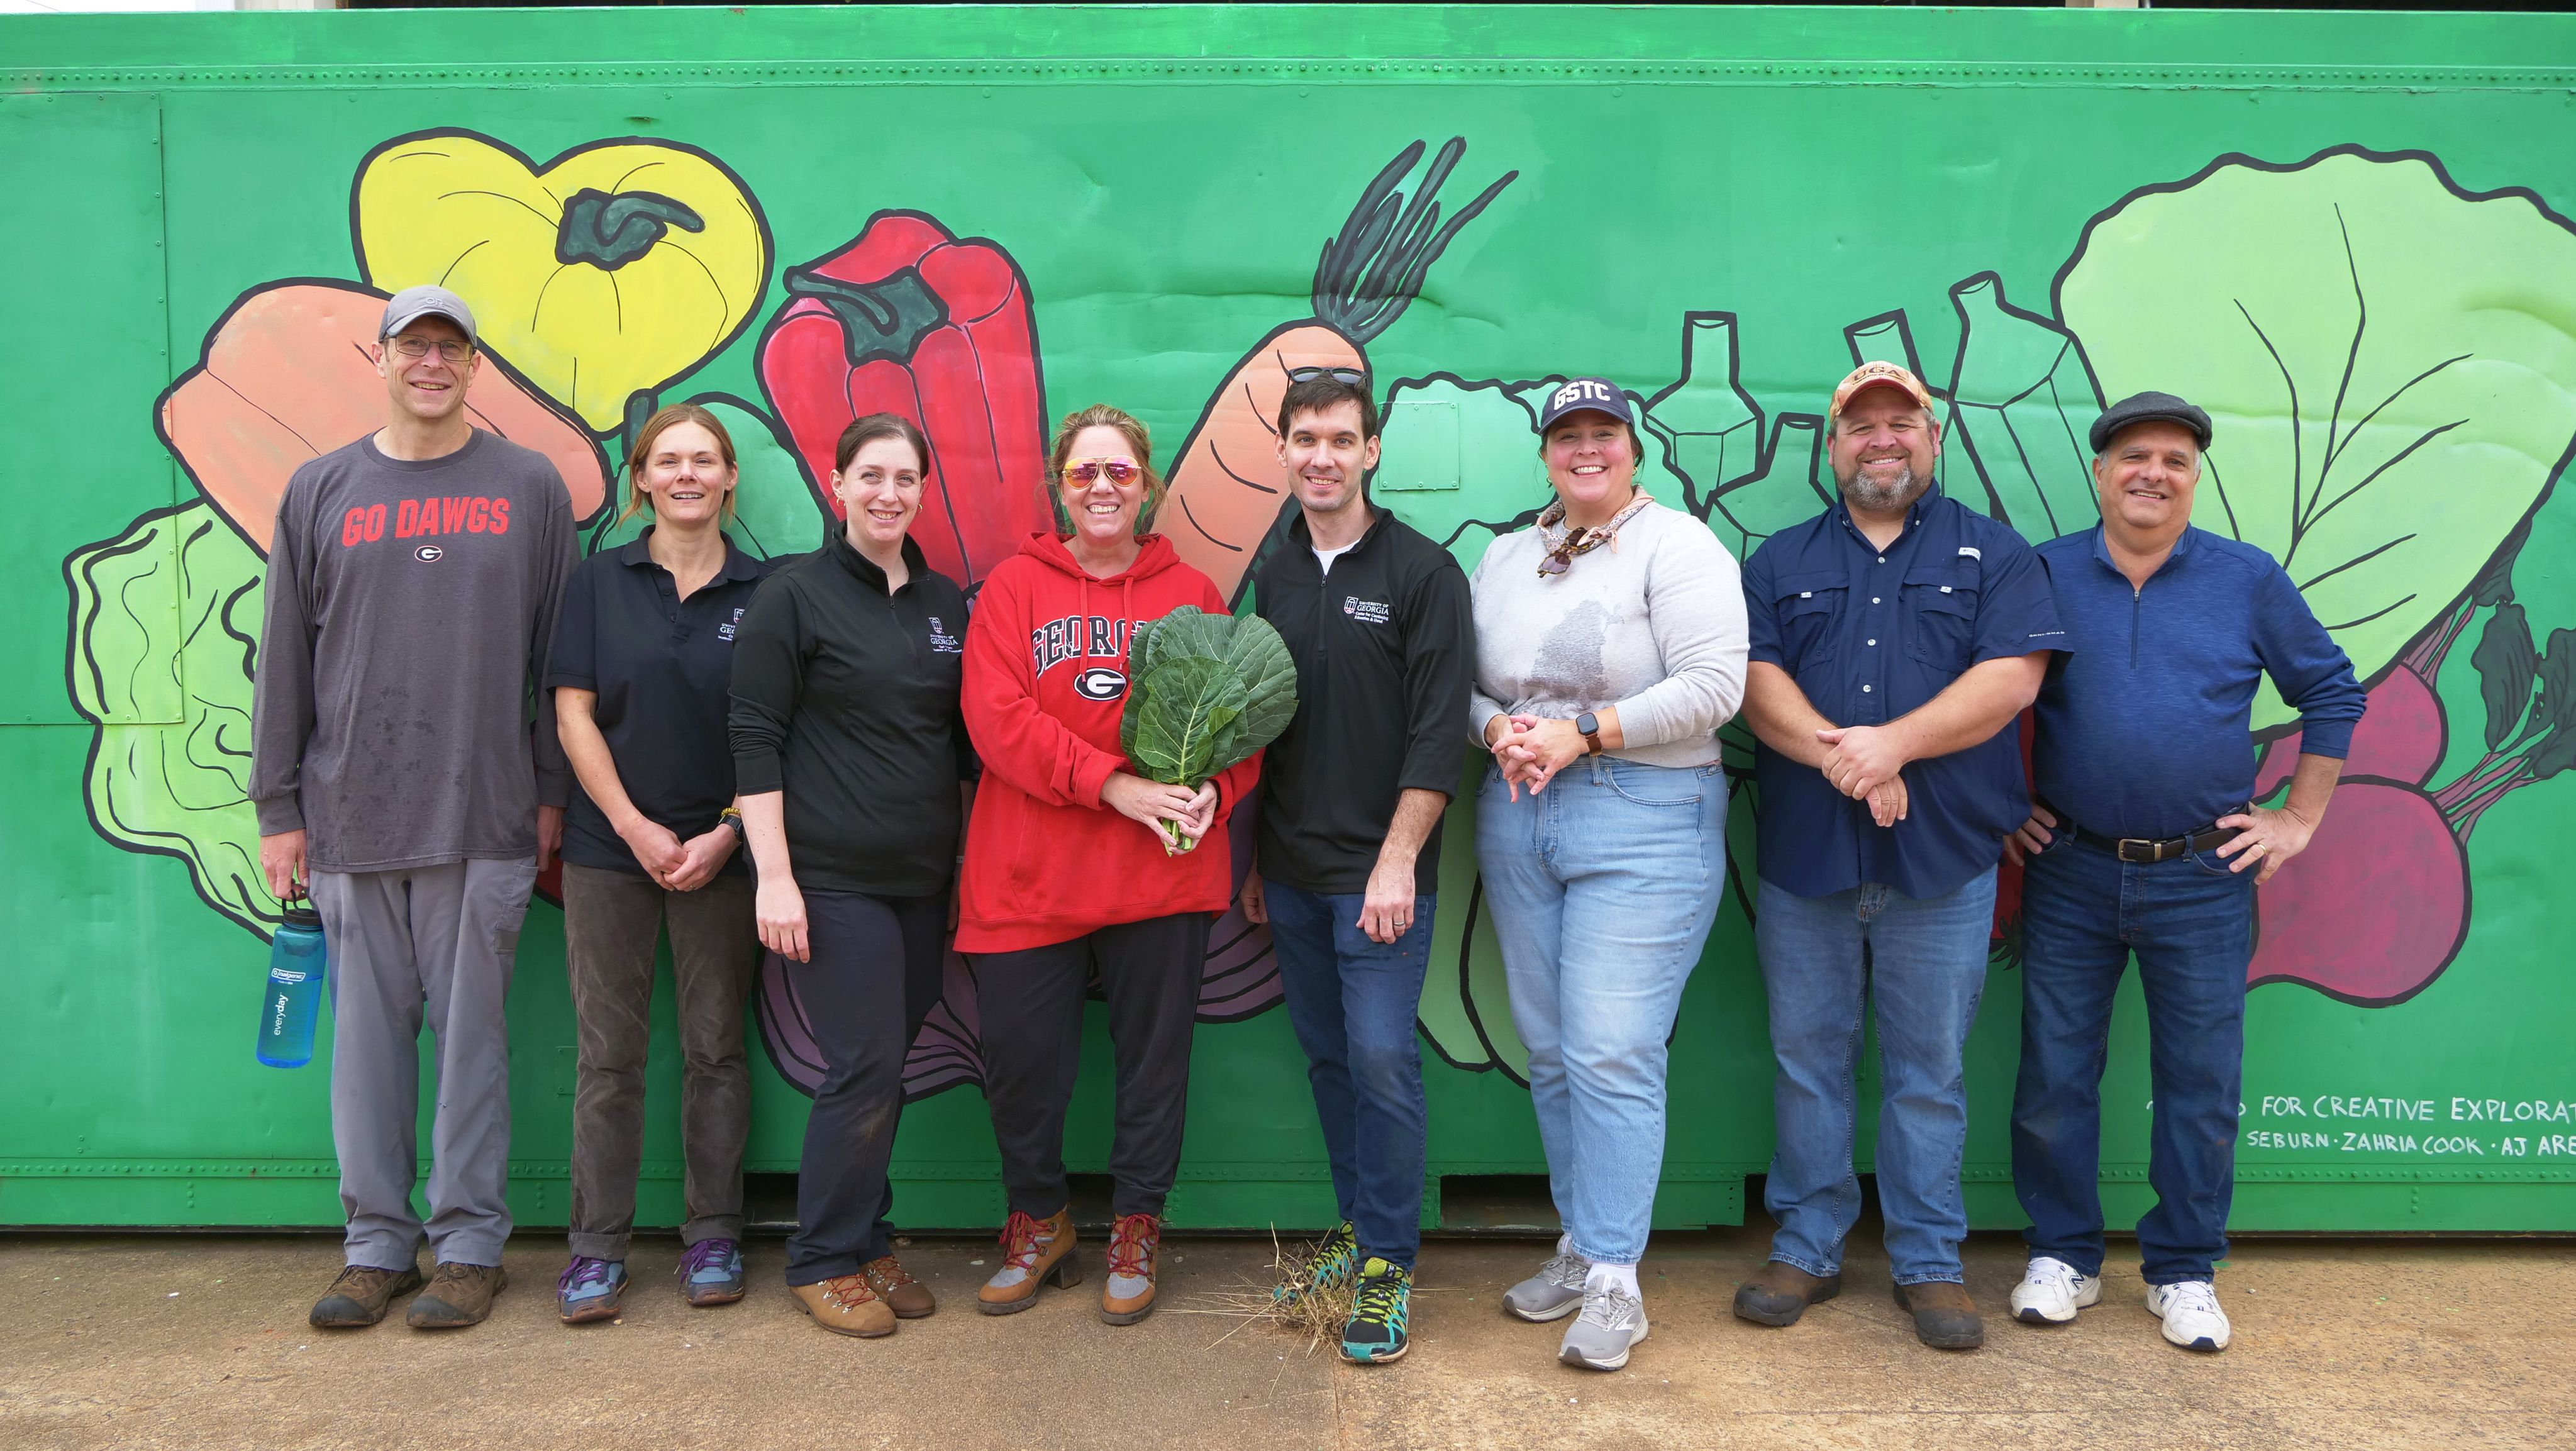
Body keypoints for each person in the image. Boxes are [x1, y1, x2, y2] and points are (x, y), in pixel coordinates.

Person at [2006, 391, 2364, 1353]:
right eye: (2133, 456)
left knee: (2203, 1081)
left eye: (2172, 458)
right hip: (2070, 866)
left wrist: (2297, 819)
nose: (2151, 473)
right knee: (2053, 1076)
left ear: (2195, 475)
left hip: (2203, 876)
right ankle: (2064, 1255)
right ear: (2101, 472)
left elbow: (2331, 689)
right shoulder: (2042, 572)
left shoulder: (2246, 579)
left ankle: (2185, 1268)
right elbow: (1989, 693)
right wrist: (2005, 807)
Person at [252, 284, 577, 1332]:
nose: (431, 362)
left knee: (473, 1042)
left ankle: (470, 1248)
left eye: (451, 347)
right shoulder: (320, 488)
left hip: (483, 816)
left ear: (474, 366)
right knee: (368, 1051)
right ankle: (376, 1247)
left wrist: (548, 792)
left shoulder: (530, 489)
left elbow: (558, 663)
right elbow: (285, 663)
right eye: (413, 344)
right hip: (349, 818)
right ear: (379, 357)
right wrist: (278, 810)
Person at [1730, 362, 2066, 1352]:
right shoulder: (1777, 559)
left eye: (1900, 423)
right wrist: (1851, 764)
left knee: (1928, 1072)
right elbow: (1756, 682)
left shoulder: (1997, 556)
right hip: (1807, 859)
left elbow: (2011, 680)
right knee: (1808, 1061)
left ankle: (1928, 1259)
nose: (1882, 439)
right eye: (1860, 425)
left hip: (1945, 862)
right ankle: (1810, 1243)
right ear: (1832, 446)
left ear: (1933, 435)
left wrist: (1895, 747)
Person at [958, 404, 1262, 1326]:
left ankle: (1136, 1224)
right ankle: (1039, 1222)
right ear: (1061, 486)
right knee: (1020, 1064)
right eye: (1084, 473)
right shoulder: (1014, 589)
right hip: (1027, 877)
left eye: (1119, 473)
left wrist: (1224, 791)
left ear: (1147, 486)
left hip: (1158, 881)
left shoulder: (1195, 594)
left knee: (1153, 1065)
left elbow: (1240, 724)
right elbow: (997, 720)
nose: (1101, 488)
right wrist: (1111, 786)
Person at [1470, 377, 1748, 1372]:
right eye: (1567, 437)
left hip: (1648, 813)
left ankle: (1620, 1283)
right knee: (1550, 1050)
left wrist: (1584, 730)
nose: (1585, 450)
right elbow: (1463, 685)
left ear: (1634, 449)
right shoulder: (1507, 555)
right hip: (1519, 816)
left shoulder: (1679, 546)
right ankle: (1582, 1248)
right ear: (1547, 454)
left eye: (1604, 435)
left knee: (1613, 1050)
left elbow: (1716, 687)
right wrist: (1499, 726)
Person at [1238, 369, 1474, 1364]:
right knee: (1332, 1060)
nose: (1322, 457)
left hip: (1382, 881)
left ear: (1372, 451)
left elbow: (1437, 734)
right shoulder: (1275, 571)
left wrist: (1396, 861)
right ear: (1285, 452)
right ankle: (1355, 1228)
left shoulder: (1424, 575)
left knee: (1382, 1061)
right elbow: (1263, 723)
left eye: (1341, 439)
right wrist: (1254, 861)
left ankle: (1388, 1263)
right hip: (1288, 874)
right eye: (1305, 439)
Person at [729, 413, 973, 1338]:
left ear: (922, 491)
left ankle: (869, 1240)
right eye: (870, 476)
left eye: (905, 479)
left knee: (887, 1065)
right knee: (866, 1064)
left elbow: (961, 744)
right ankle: (822, 1257)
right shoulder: (793, 598)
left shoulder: (945, 603)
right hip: (830, 879)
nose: (888, 494)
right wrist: (774, 877)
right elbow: (753, 737)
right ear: (837, 485)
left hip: (920, 881)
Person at [548, 404, 771, 1323]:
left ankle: (714, 1235)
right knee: (610, 1058)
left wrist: (725, 834)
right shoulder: (597, 582)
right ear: (641, 479)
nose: (687, 474)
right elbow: (572, 715)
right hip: (611, 853)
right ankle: (596, 1250)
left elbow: (772, 732)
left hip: (724, 851)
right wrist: (635, 828)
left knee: (718, 1051)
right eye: (668, 461)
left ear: (728, 480)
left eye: (705, 460)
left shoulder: (768, 593)